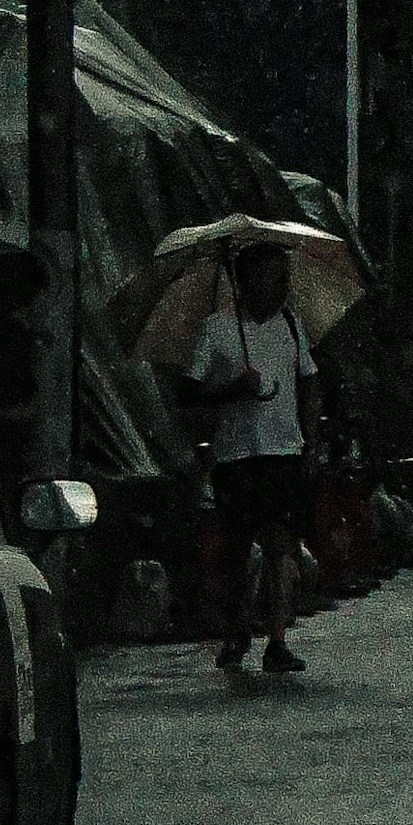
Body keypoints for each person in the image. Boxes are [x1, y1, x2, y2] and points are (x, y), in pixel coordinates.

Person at [177, 240, 316, 678]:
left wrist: (310, 441)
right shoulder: (217, 330)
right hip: (236, 457)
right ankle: (236, 631)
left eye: (283, 278)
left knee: (280, 545)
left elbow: (309, 382)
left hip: (283, 453)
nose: (280, 288)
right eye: (271, 277)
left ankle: (277, 638)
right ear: (245, 281)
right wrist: (232, 389)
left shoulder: (291, 326)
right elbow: (187, 393)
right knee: (237, 550)